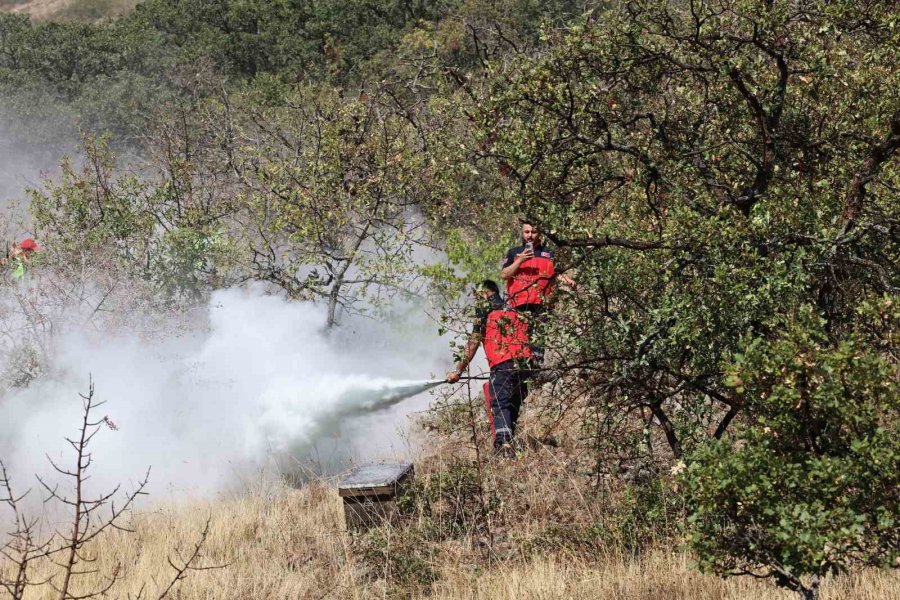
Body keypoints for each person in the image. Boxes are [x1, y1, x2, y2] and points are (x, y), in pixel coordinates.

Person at [446, 280, 533, 456]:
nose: (477, 300)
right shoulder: (515, 307)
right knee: (513, 402)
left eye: (478, 295)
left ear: (486, 292)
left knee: (500, 402)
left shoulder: (485, 310)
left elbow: (473, 342)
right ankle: (510, 445)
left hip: (504, 363)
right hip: (525, 364)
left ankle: (504, 447)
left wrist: (457, 371)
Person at [500, 221, 574, 364]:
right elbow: (504, 275)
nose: (530, 235)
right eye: (526, 232)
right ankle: (519, 370)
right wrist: (521, 259)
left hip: (542, 305)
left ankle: (536, 373)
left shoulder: (549, 253)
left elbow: (556, 273)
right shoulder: (513, 252)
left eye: (533, 232)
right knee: (518, 341)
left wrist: (567, 280)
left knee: (538, 343)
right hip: (518, 304)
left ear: (539, 234)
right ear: (522, 233)